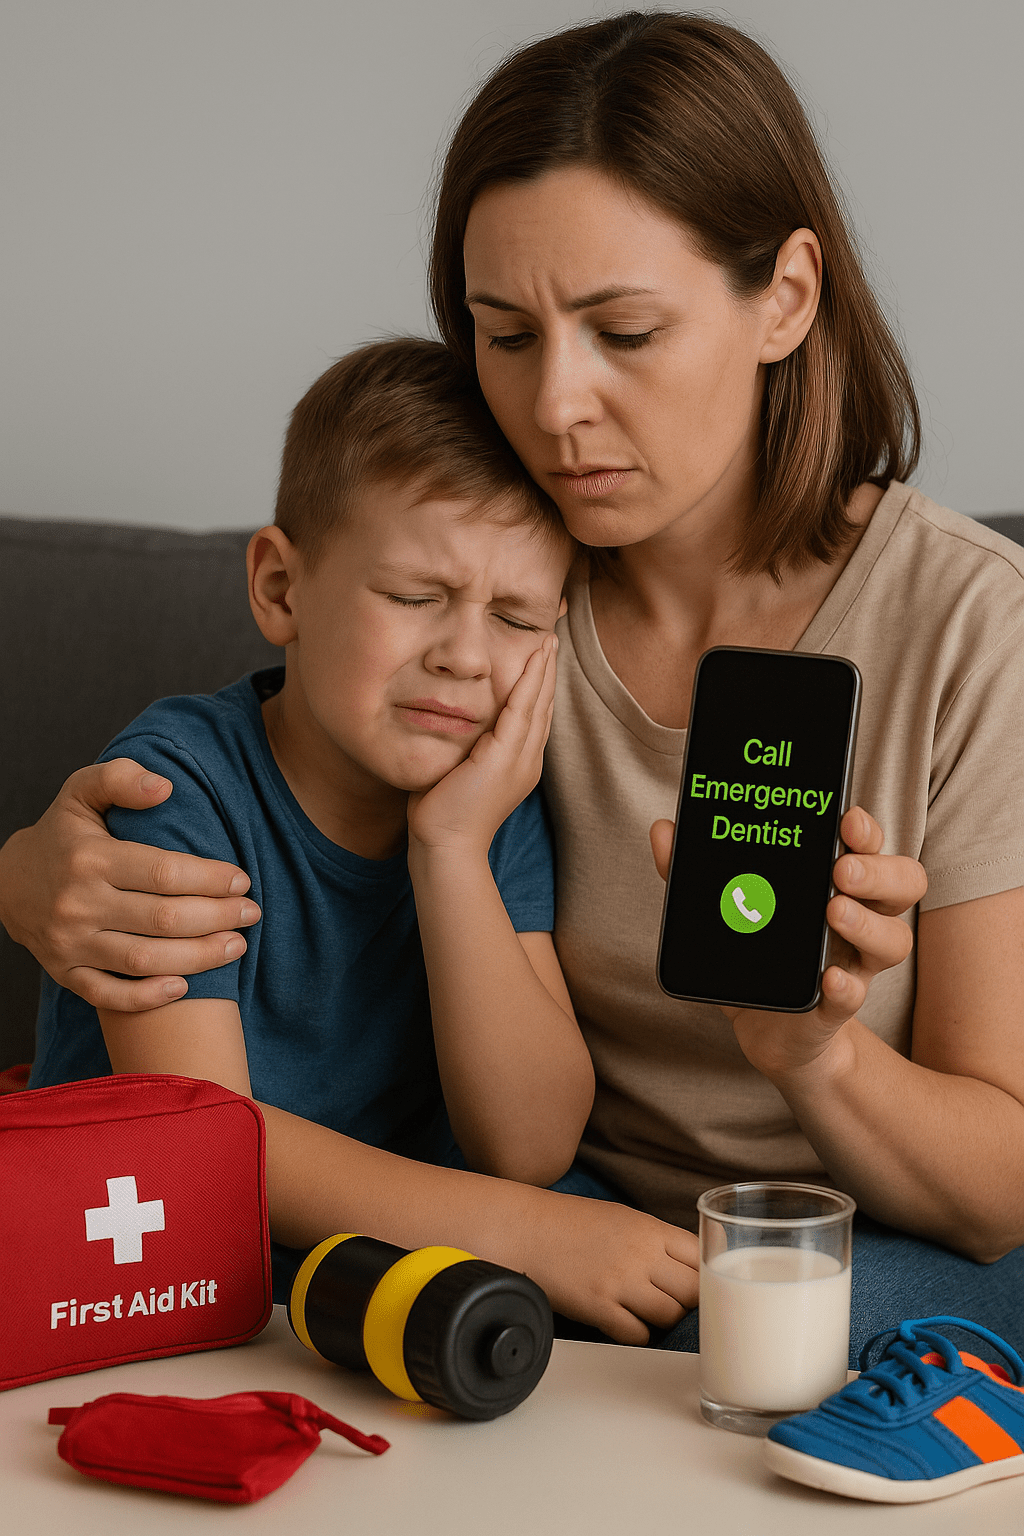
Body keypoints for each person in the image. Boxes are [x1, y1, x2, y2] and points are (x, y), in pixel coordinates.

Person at [3, 13, 1022, 1354]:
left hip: (826, 1239)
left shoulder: (964, 620)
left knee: (795, 1326)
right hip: (544, 1231)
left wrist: (816, 1056)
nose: (554, 411)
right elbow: (271, 767)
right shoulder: (494, 575)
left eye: (625, 331)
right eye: (506, 334)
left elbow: (1001, 1188)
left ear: (784, 295)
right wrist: (26, 872)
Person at [25, 336, 701, 1339]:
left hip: (404, 1274)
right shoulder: (174, 783)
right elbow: (197, 1145)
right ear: (281, 589)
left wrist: (451, 851)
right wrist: (523, 1232)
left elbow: (527, 1140)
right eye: (415, 597)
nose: (465, 656)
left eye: (518, 617)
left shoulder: (489, 802)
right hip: (160, 1270)